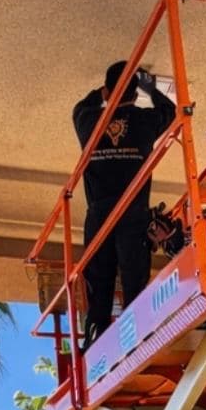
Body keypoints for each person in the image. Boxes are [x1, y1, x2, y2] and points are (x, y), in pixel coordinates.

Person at [72, 60, 177, 342]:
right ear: (135, 94)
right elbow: (170, 111)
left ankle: (95, 332)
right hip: (132, 209)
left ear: (108, 91)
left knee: (100, 277)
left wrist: (104, 93)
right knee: (133, 275)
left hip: (99, 213)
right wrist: (149, 87)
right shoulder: (144, 120)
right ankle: (138, 332)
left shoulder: (87, 120)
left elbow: (82, 106)